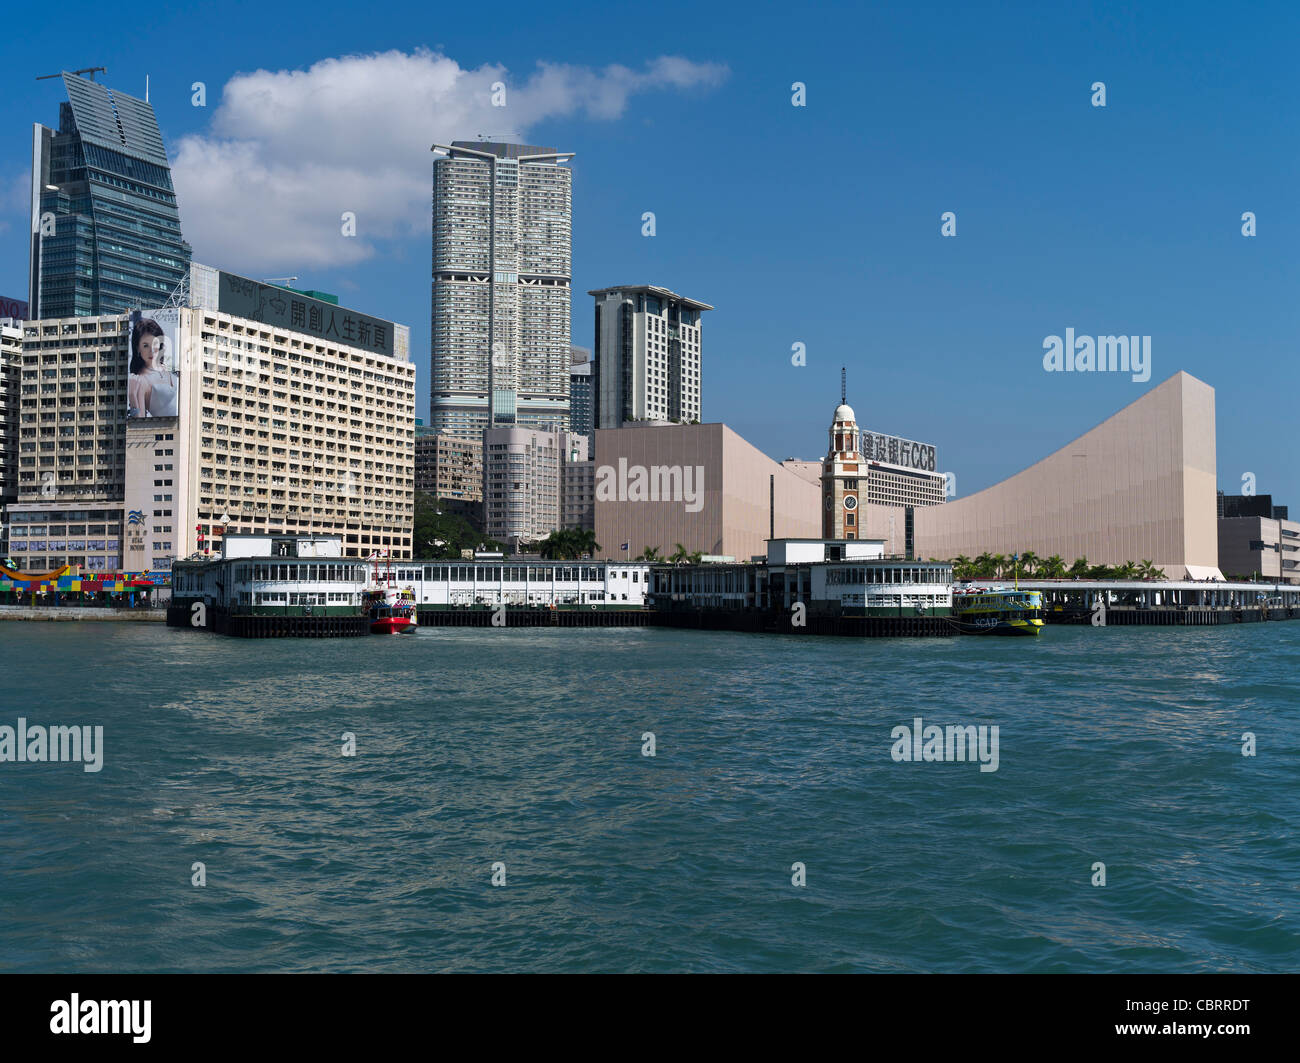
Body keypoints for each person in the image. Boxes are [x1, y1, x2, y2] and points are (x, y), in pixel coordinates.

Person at [128, 318, 179, 417]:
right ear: (137, 348)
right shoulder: (141, 380)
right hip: (167, 430)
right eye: (146, 346)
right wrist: (132, 395)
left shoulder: (167, 368)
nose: (151, 351)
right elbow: (139, 422)